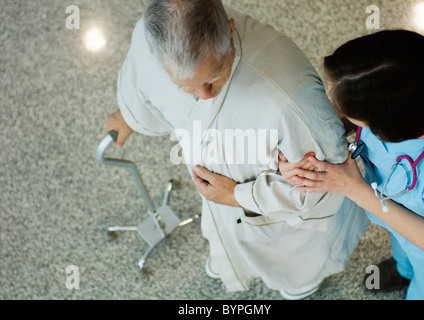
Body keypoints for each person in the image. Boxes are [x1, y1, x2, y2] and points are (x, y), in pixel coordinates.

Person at [106, 0, 367, 299]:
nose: (203, 97)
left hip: (282, 226)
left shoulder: (291, 99)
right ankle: (230, 258)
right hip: (219, 205)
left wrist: (235, 196)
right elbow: (141, 87)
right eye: (187, 88)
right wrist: (126, 114)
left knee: (296, 273)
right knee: (226, 242)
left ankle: (300, 285)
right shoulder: (146, 38)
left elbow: (323, 189)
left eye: (213, 79)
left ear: (229, 32)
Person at [279, 30, 424, 300]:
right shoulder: (417, 96)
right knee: (403, 247)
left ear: (387, 126)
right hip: (398, 218)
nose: (338, 113)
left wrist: (354, 188)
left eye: (351, 116)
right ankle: (403, 269)